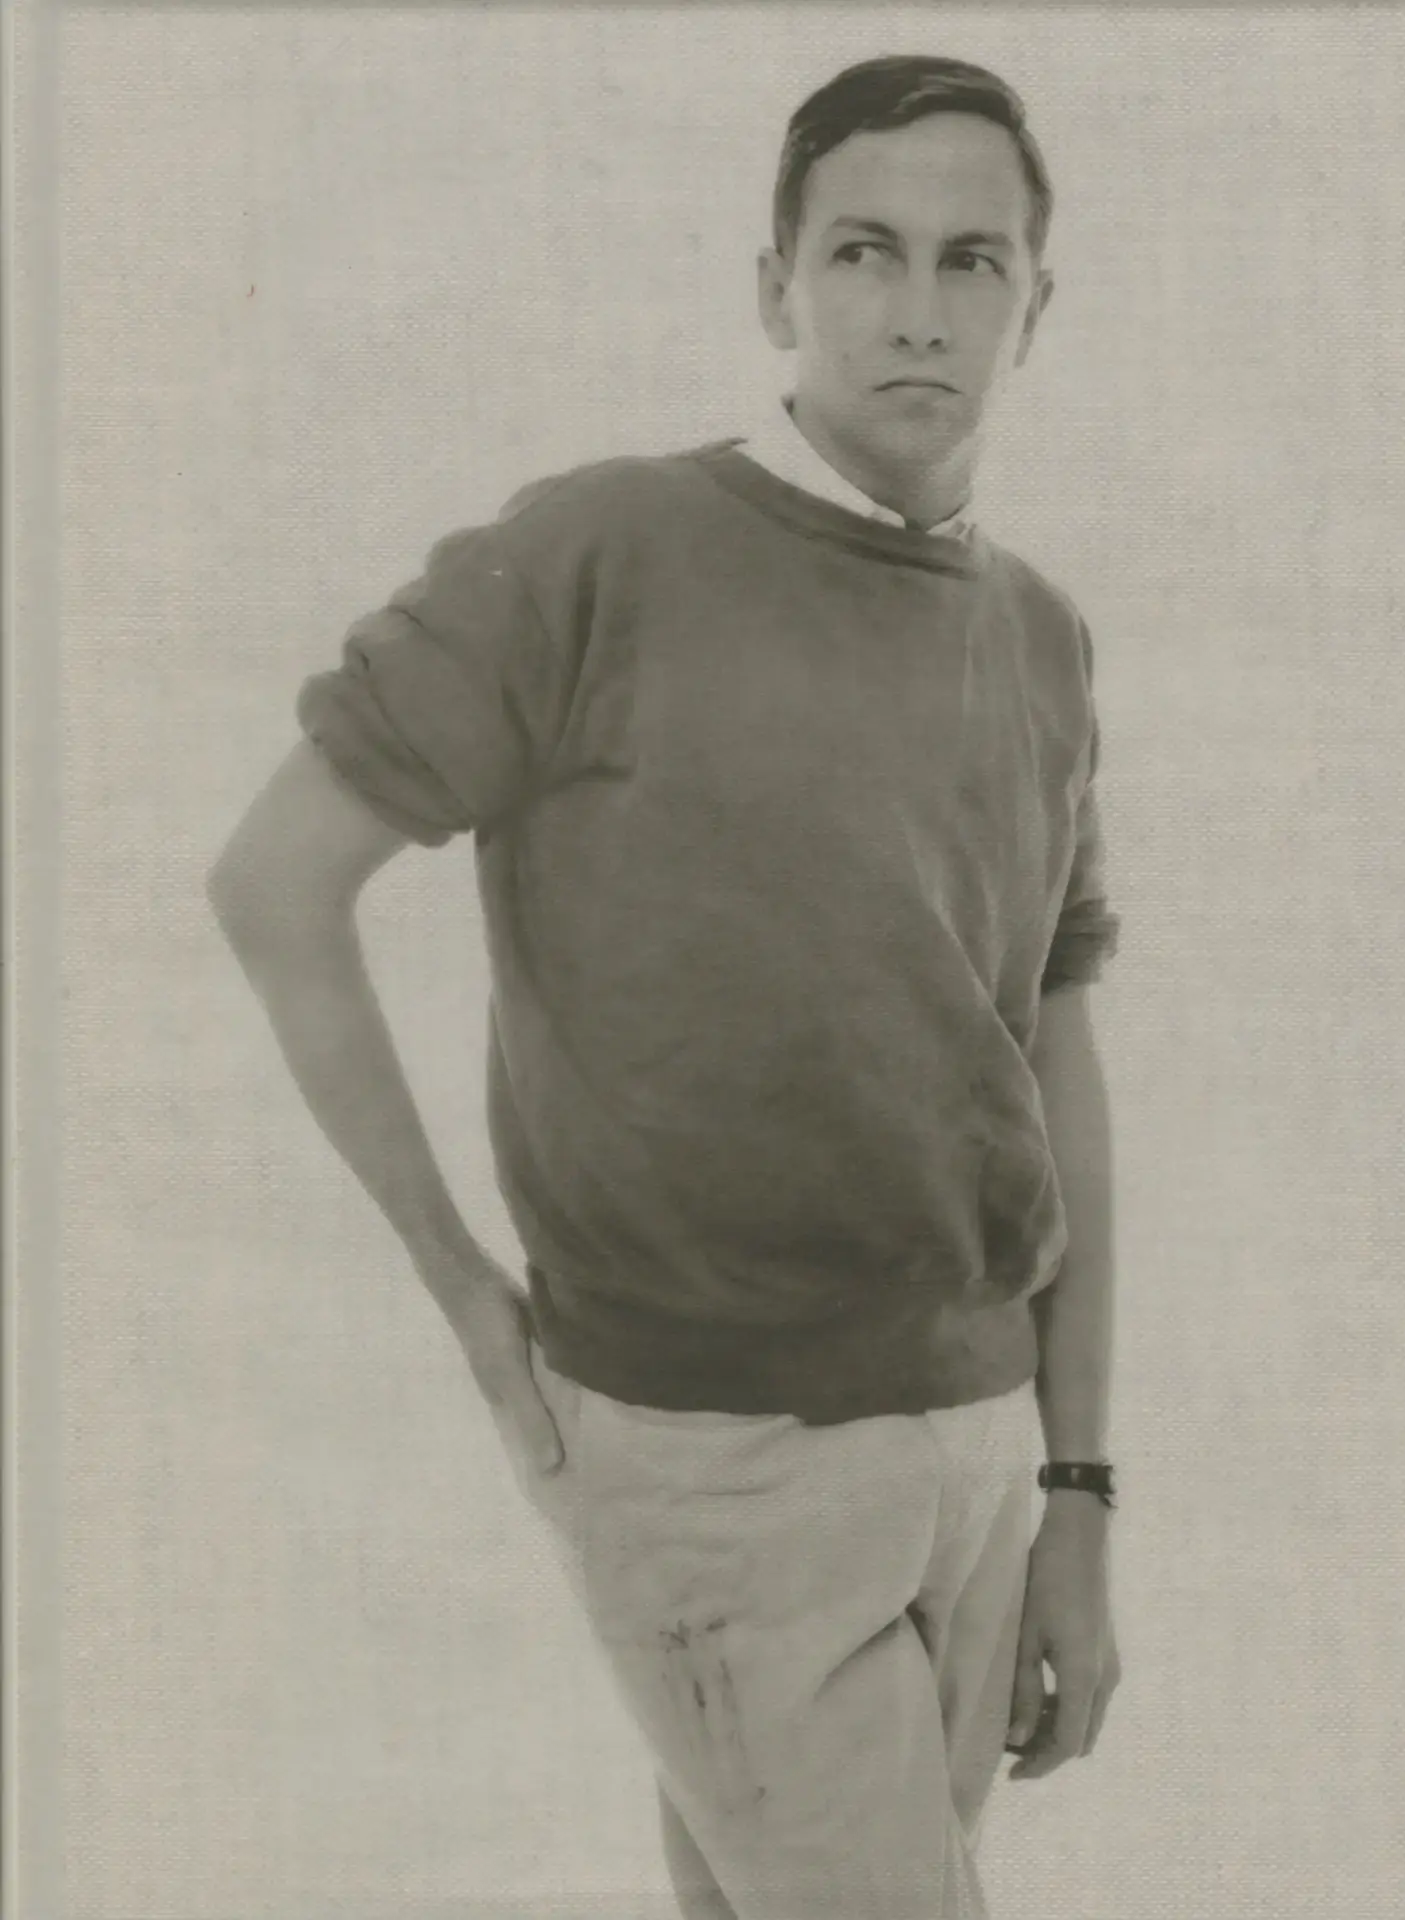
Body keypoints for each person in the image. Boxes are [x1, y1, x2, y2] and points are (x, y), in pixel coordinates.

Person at [208, 52, 1123, 1920]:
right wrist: (460, 1287)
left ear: (1038, 304)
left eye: (973, 261)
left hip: (977, 1443)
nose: (919, 309)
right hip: (712, 1457)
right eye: (863, 251)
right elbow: (275, 883)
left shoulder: (1036, 634)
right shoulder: (602, 552)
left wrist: (1081, 1491)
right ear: (775, 286)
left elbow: (1053, 1055)